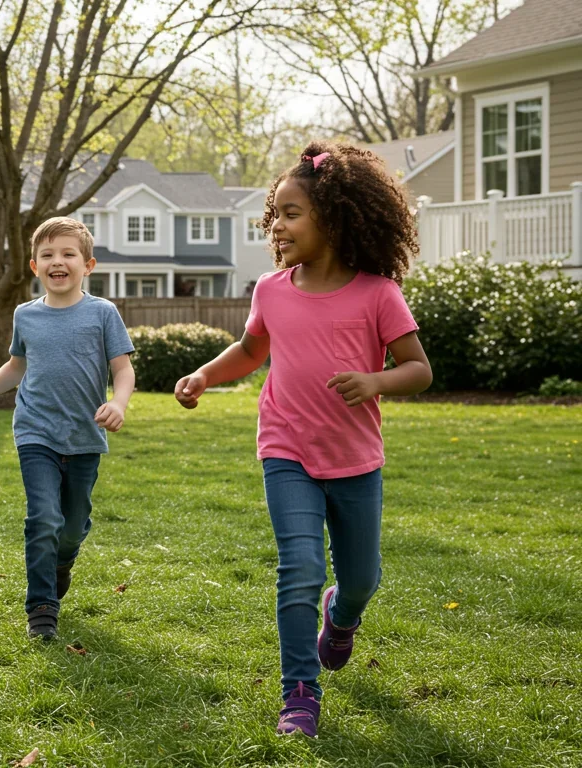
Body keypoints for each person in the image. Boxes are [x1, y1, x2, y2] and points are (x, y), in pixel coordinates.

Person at [173, 143, 433, 737]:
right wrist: (205, 377)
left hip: (355, 460)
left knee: (361, 577)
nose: (278, 226)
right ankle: (299, 691)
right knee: (299, 566)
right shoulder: (271, 290)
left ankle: (341, 617)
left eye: (292, 214)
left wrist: (376, 379)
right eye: (275, 214)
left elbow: (419, 370)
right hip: (286, 450)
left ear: (335, 218)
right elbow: (250, 351)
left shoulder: (378, 294)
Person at [0, 216, 135, 641]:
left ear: (88, 265)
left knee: (72, 525)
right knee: (43, 517)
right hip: (35, 431)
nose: (59, 261)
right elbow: (17, 365)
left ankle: (61, 563)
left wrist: (118, 402)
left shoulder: (103, 313)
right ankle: (41, 607)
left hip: (83, 436)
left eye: (68, 254)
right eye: (48, 255)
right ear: (35, 267)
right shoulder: (26, 315)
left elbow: (123, 368)